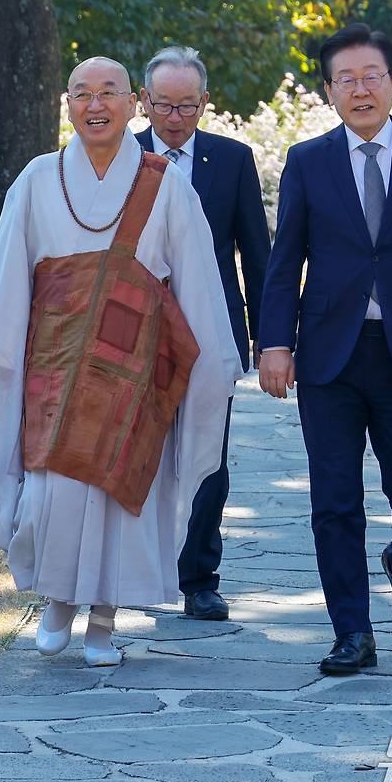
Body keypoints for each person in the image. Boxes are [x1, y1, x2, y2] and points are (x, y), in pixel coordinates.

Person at [0, 56, 242, 666]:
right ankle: (57, 602)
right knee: (54, 490)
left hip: (134, 374)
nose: (95, 104)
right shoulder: (36, 177)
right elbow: (8, 280)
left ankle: (104, 620)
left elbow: (197, 283)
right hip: (54, 368)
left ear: (133, 102)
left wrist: (207, 364)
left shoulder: (166, 184)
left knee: (122, 491)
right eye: (82, 93)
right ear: (69, 104)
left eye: (109, 92)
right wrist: (3, 356)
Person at [258, 24, 392, 675]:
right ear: (329, 92)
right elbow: (284, 260)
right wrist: (275, 341)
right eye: (346, 79)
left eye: (371, 76)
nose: (360, 89)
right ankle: (352, 631)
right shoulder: (307, 161)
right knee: (334, 499)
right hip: (327, 354)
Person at [136, 46, 270, 621]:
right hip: (132, 333)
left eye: (187, 106)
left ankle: (199, 577)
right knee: (129, 454)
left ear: (204, 104)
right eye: (164, 104)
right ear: (144, 101)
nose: (175, 117)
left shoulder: (232, 159)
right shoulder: (118, 155)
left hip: (212, 332)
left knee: (208, 455)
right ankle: (130, 571)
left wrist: (269, 339)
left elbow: (256, 254)